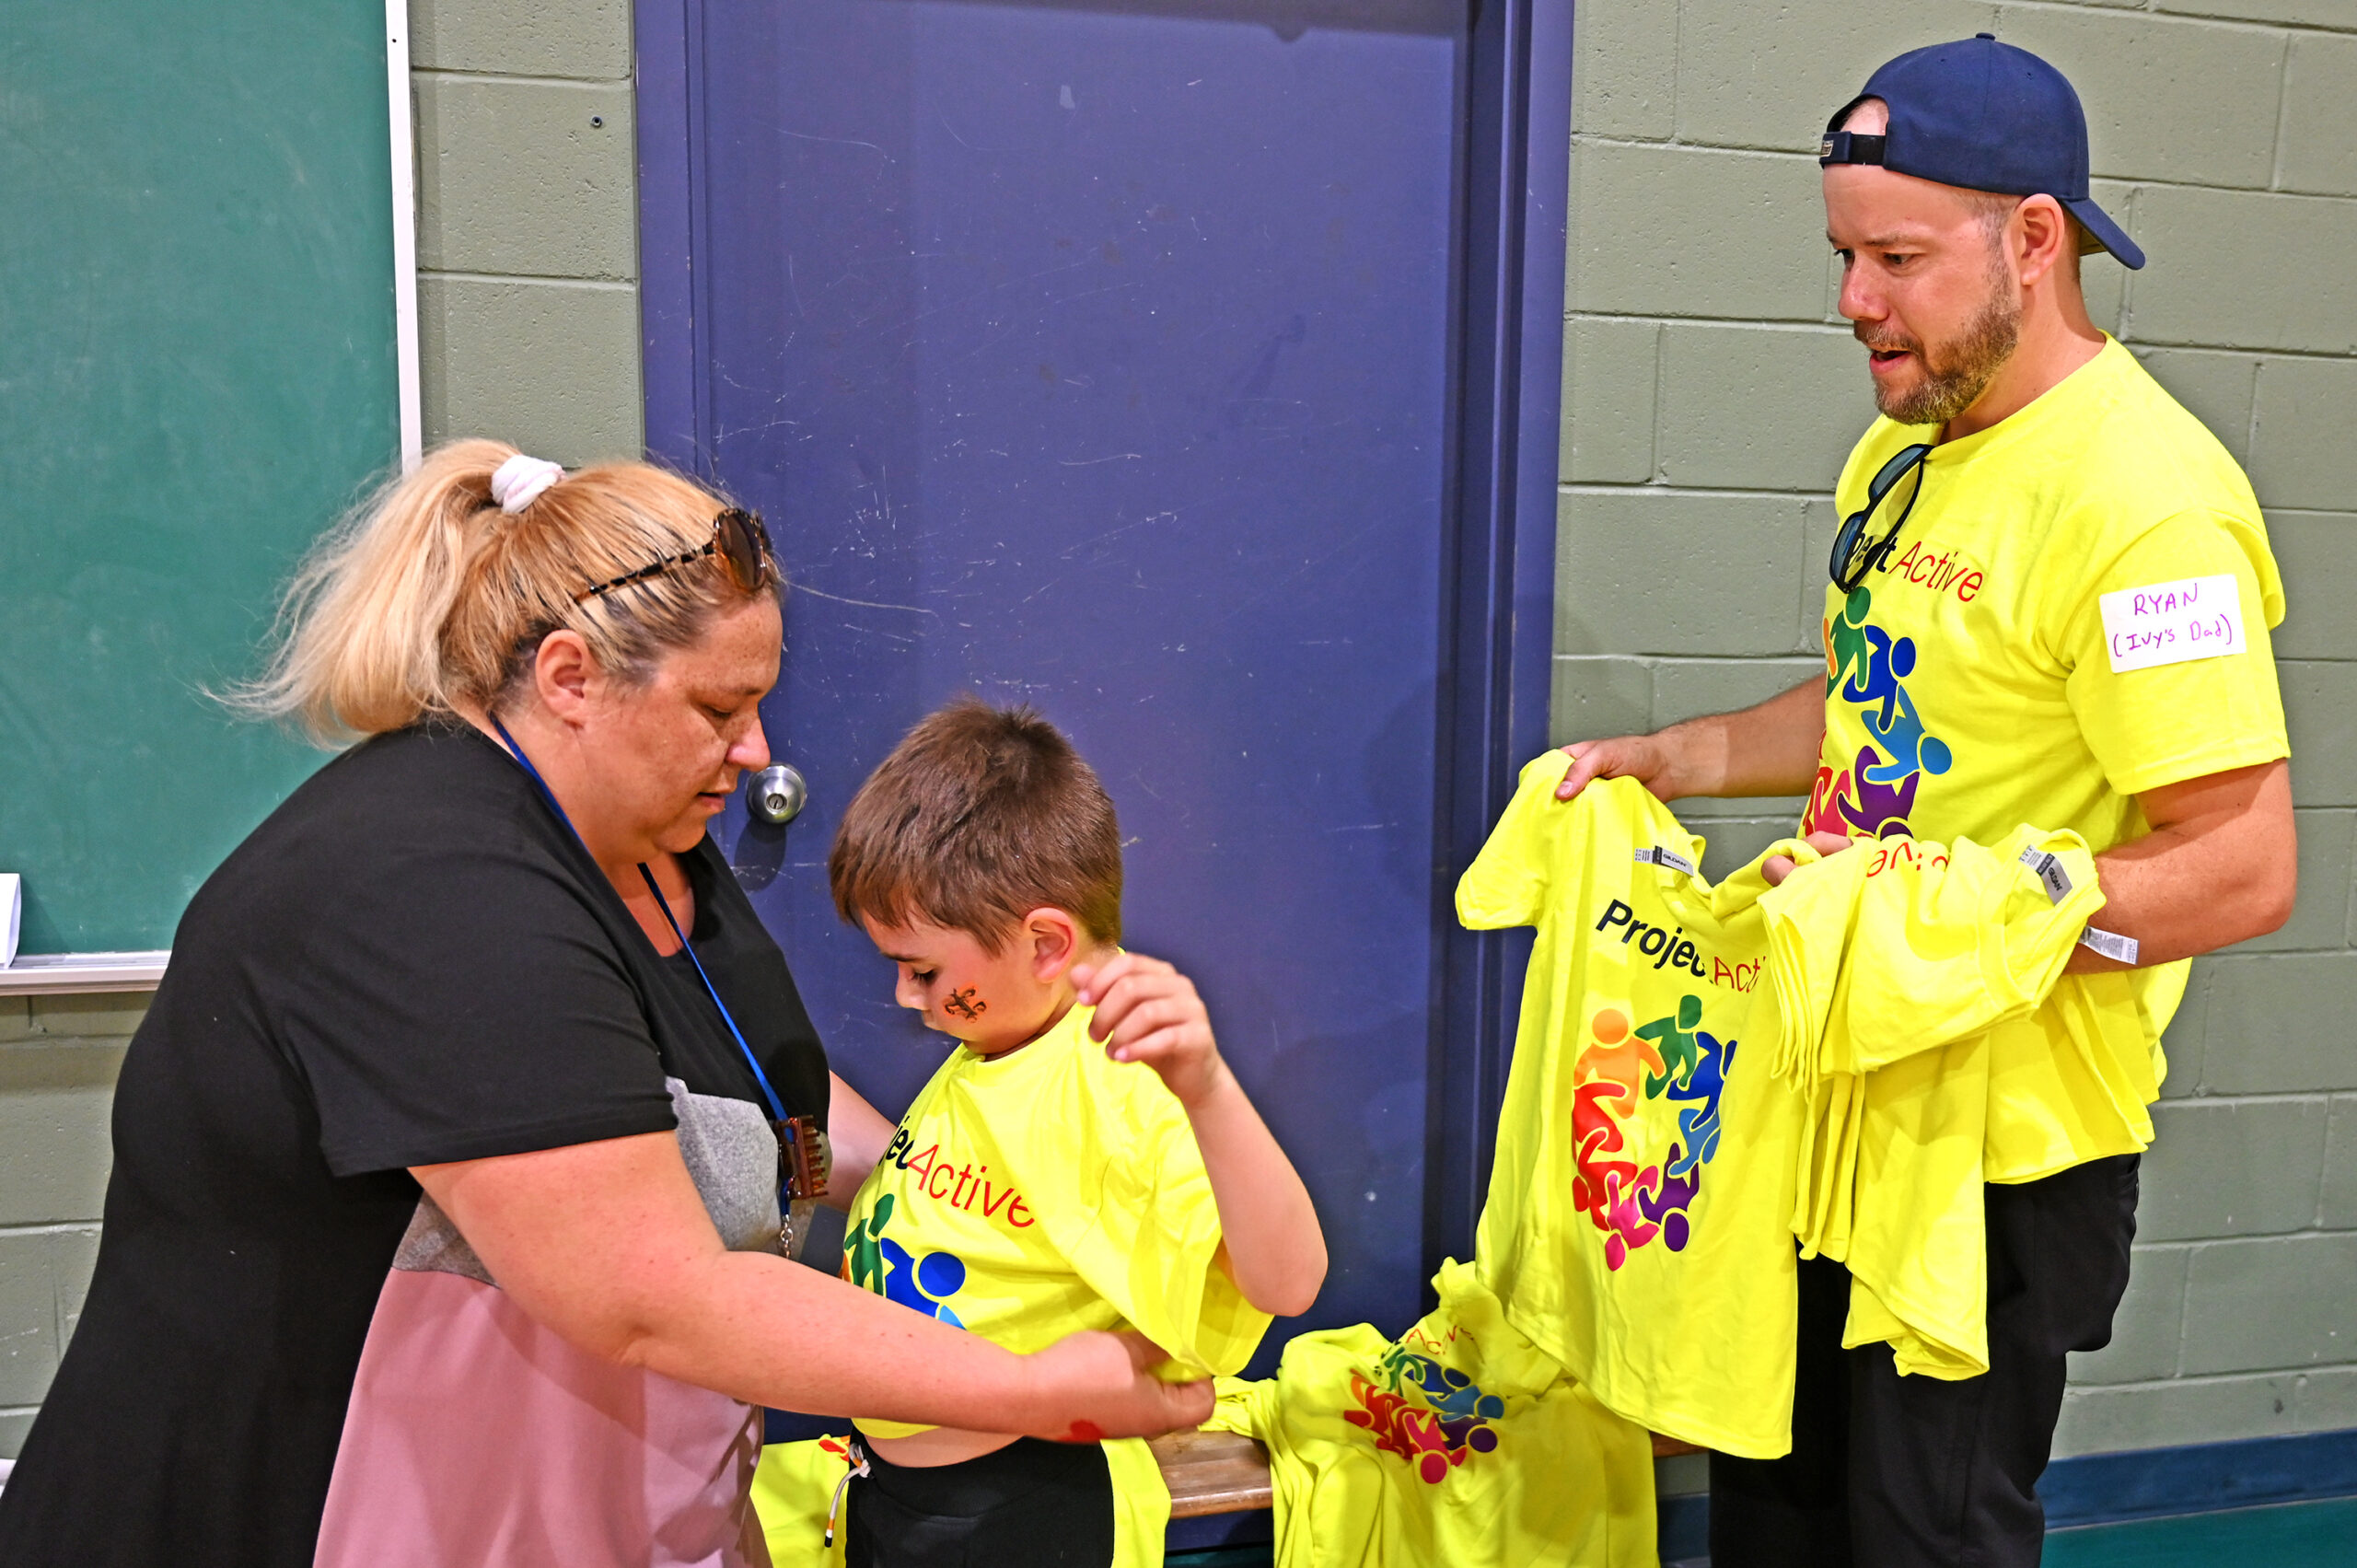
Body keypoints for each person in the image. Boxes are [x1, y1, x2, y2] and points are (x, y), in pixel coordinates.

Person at [0, 443, 1208, 1568]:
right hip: (288, 1512)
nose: (755, 750)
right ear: (570, 677)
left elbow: (752, 1097)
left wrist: (971, 1173)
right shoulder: (427, 888)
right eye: (718, 710)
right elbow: (649, 1292)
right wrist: (1040, 1381)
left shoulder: (645, 845)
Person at [1552, 36, 2294, 1568]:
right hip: (1833, 1102)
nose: (1854, 304)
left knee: (1922, 1535)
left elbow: (2239, 865)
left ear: (2034, 236)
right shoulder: (1910, 455)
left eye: (1896, 257)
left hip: (1998, 1156)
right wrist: (1676, 758)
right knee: (1776, 1513)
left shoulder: (2146, 506)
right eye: (1844, 255)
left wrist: (1981, 921)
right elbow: (1891, 708)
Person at [817, 697, 1329, 1567]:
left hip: (1012, 1513)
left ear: (1046, 943)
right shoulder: (1002, 1037)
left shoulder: (1110, 1068)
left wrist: (1206, 1090)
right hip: (901, 1493)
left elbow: (1289, 1279)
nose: (907, 997)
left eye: (924, 970)